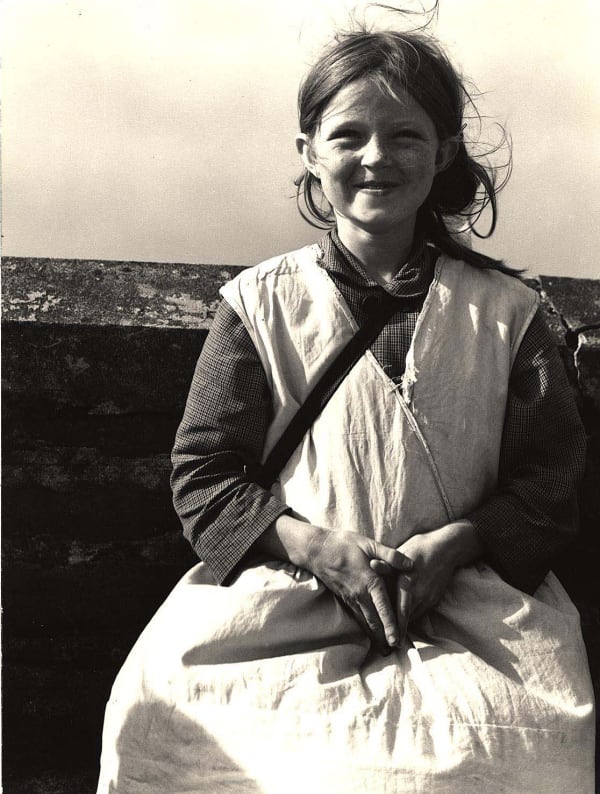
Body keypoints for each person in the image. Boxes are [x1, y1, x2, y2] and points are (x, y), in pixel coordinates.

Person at [97, 15, 595, 794]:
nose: (375, 158)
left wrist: (455, 547)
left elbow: (549, 483)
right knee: (170, 732)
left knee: (508, 755)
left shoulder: (509, 315)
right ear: (309, 153)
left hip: (468, 609)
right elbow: (204, 474)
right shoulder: (260, 305)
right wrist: (316, 548)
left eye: (404, 135)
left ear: (444, 152)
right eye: (348, 135)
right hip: (287, 606)